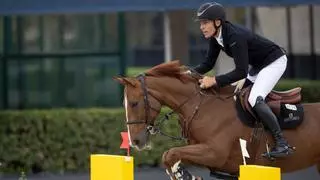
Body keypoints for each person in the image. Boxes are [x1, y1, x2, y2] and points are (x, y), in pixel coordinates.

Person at [191, 2, 293, 158]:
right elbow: (208, 64)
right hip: (259, 66)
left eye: (205, 22)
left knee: (254, 99)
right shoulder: (216, 36)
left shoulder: (234, 36)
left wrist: (215, 81)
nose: (201, 27)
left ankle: (282, 143)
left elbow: (240, 72)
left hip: (275, 62)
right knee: (235, 95)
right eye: (201, 23)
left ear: (217, 22)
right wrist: (187, 73)